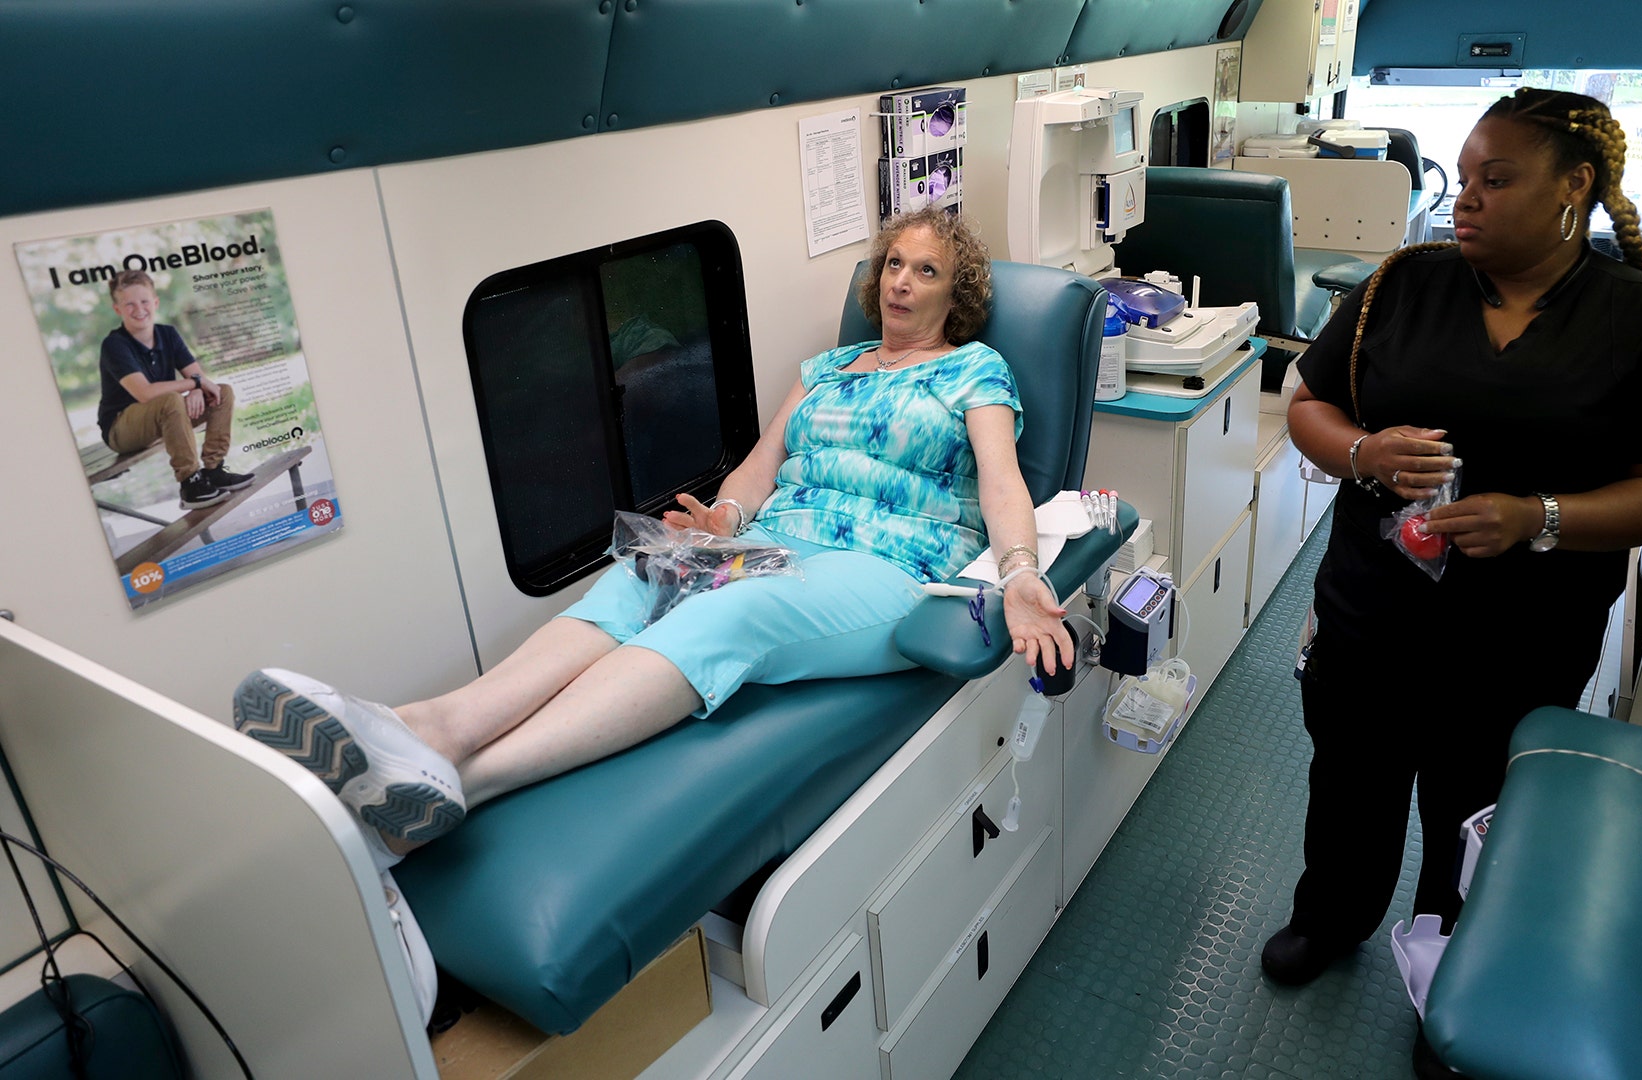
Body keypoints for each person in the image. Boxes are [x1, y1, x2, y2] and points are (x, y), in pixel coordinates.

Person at [232, 206, 1073, 871]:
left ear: (953, 296)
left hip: (889, 568)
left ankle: (463, 784)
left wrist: (1021, 571)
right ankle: (429, 725)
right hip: (785, 539)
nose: (900, 283)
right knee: (645, 575)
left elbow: (1002, 478)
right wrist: (723, 524)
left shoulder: (974, 371)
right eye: (893, 263)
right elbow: (756, 467)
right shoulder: (825, 370)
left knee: (730, 615)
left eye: (925, 271)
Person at [1262, 88, 1642, 991]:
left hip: (1524, 634)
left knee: (1479, 805)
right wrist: (1364, 449)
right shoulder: (1404, 283)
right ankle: (1330, 915)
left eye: (1498, 178)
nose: (1468, 196)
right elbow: (1309, 406)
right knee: (1351, 783)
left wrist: (1542, 518)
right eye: (1468, 177)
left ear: (1576, 187)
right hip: (1371, 611)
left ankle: (1454, 963)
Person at [96, 270, 254, 508]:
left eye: (144, 301)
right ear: (117, 309)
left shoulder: (167, 334)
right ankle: (190, 483)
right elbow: (145, 393)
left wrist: (198, 389)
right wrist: (196, 383)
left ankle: (213, 470)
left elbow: (199, 377)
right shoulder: (114, 345)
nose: (139, 309)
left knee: (222, 392)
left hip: (163, 416)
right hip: (121, 428)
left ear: (155, 303)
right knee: (171, 400)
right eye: (129, 304)